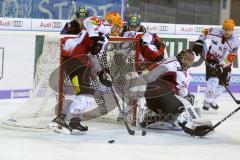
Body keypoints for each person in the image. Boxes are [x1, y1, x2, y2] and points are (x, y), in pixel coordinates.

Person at [52, 12, 124, 133]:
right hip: (76, 58)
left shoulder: (105, 36)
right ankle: (61, 119)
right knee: (87, 93)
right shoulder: (104, 25)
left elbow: (94, 56)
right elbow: (89, 20)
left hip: (74, 61)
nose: (119, 29)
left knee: (81, 92)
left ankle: (75, 122)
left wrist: (101, 73)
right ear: (112, 23)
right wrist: (95, 38)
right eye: (117, 25)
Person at [140, 49, 212, 136]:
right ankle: (189, 125)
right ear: (181, 57)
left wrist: (187, 100)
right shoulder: (171, 64)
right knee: (179, 108)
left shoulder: (186, 71)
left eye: (191, 60)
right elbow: (147, 74)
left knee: (189, 100)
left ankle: (151, 118)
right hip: (157, 95)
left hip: (160, 98)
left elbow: (182, 90)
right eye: (187, 59)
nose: (189, 62)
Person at [192, 19, 240, 110]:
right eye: (225, 29)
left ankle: (211, 100)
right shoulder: (215, 31)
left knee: (223, 86)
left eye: (230, 30)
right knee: (213, 80)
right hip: (212, 58)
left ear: (233, 30)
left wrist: (222, 66)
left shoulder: (235, 41)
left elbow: (231, 57)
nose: (227, 31)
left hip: (225, 64)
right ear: (222, 28)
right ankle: (207, 102)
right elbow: (204, 31)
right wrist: (199, 42)